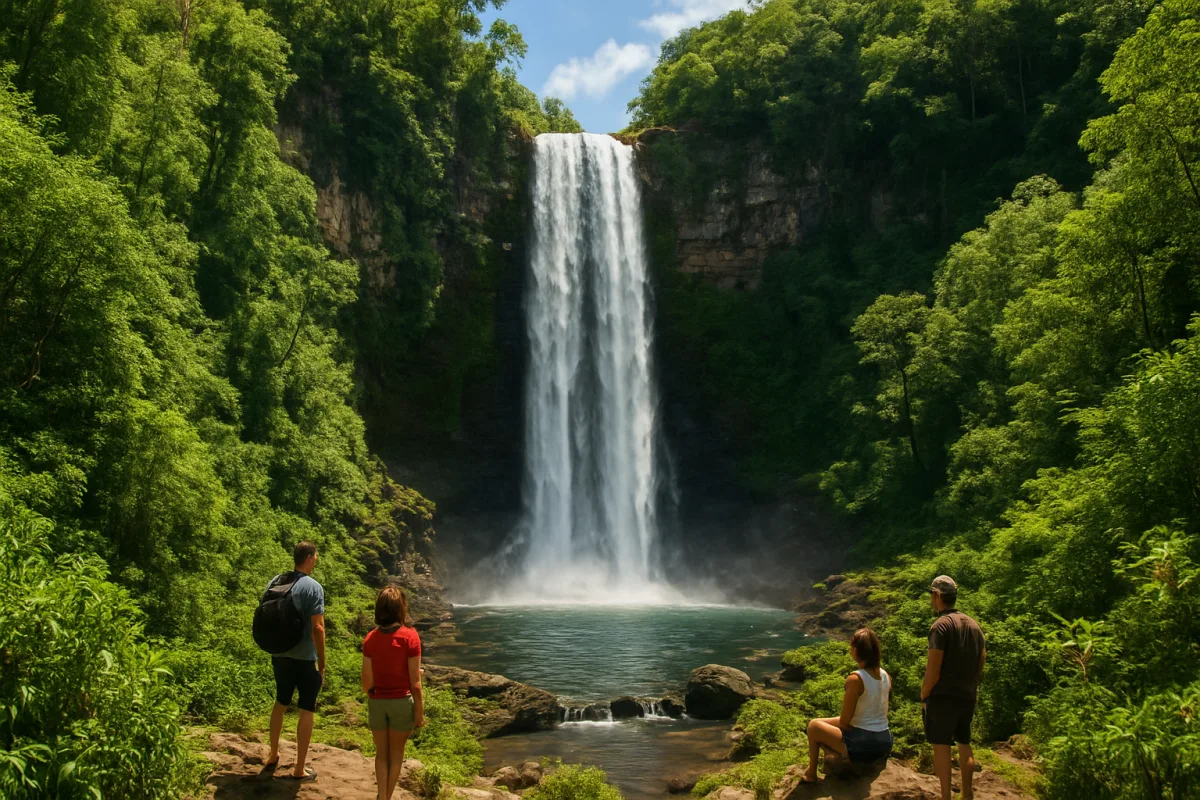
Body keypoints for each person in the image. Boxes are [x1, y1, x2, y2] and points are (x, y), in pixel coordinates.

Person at [264, 541, 326, 781]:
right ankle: (299, 768)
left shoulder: (277, 581)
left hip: (279, 654)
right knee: (306, 709)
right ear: (309, 558)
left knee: (280, 702)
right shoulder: (313, 588)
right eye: (316, 556)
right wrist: (322, 661)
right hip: (304, 658)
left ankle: (273, 753)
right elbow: (318, 628)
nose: (316, 560)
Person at [921, 575, 986, 800]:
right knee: (964, 743)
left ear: (938, 596)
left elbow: (934, 668)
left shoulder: (940, 626)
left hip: (943, 696)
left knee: (941, 746)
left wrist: (925, 693)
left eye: (932, 595)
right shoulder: (974, 626)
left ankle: (946, 796)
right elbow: (981, 661)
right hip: (967, 694)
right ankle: (967, 794)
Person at [801, 628, 894, 783]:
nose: (850, 649)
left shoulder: (856, 679)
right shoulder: (886, 676)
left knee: (813, 726)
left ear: (858, 650)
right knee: (820, 722)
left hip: (863, 743)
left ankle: (811, 774)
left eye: (852, 646)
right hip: (885, 742)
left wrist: (823, 723)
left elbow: (844, 722)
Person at [362, 585, 425, 800]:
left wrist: (375, 691)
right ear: (401, 609)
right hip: (401, 702)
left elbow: (367, 680)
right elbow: (415, 682)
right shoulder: (410, 637)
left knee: (381, 754)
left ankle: (381, 796)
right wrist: (419, 712)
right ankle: (386, 798)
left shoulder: (370, 638)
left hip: (377, 701)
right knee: (396, 755)